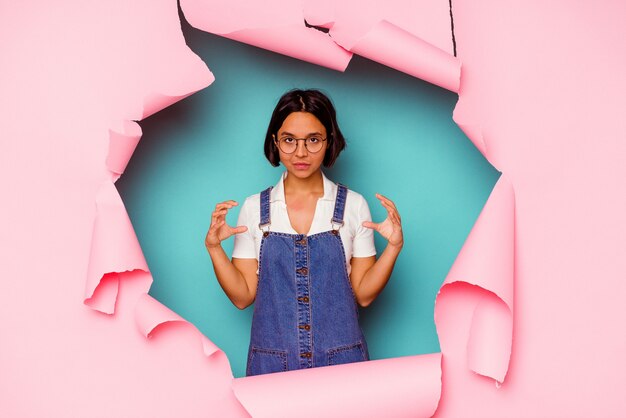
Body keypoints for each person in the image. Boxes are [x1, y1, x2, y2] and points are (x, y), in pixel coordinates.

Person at [204, 89, 403, 377]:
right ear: (275, 141)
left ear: (329, 140)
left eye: (313, 140)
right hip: (273, 365)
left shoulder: (353, 206)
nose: (300, 152)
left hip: (343, 364)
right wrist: (214, 248)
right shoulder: (254, 209)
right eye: (289, 140)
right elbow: (242, 296)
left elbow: (364, 294)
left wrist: (394, 247)